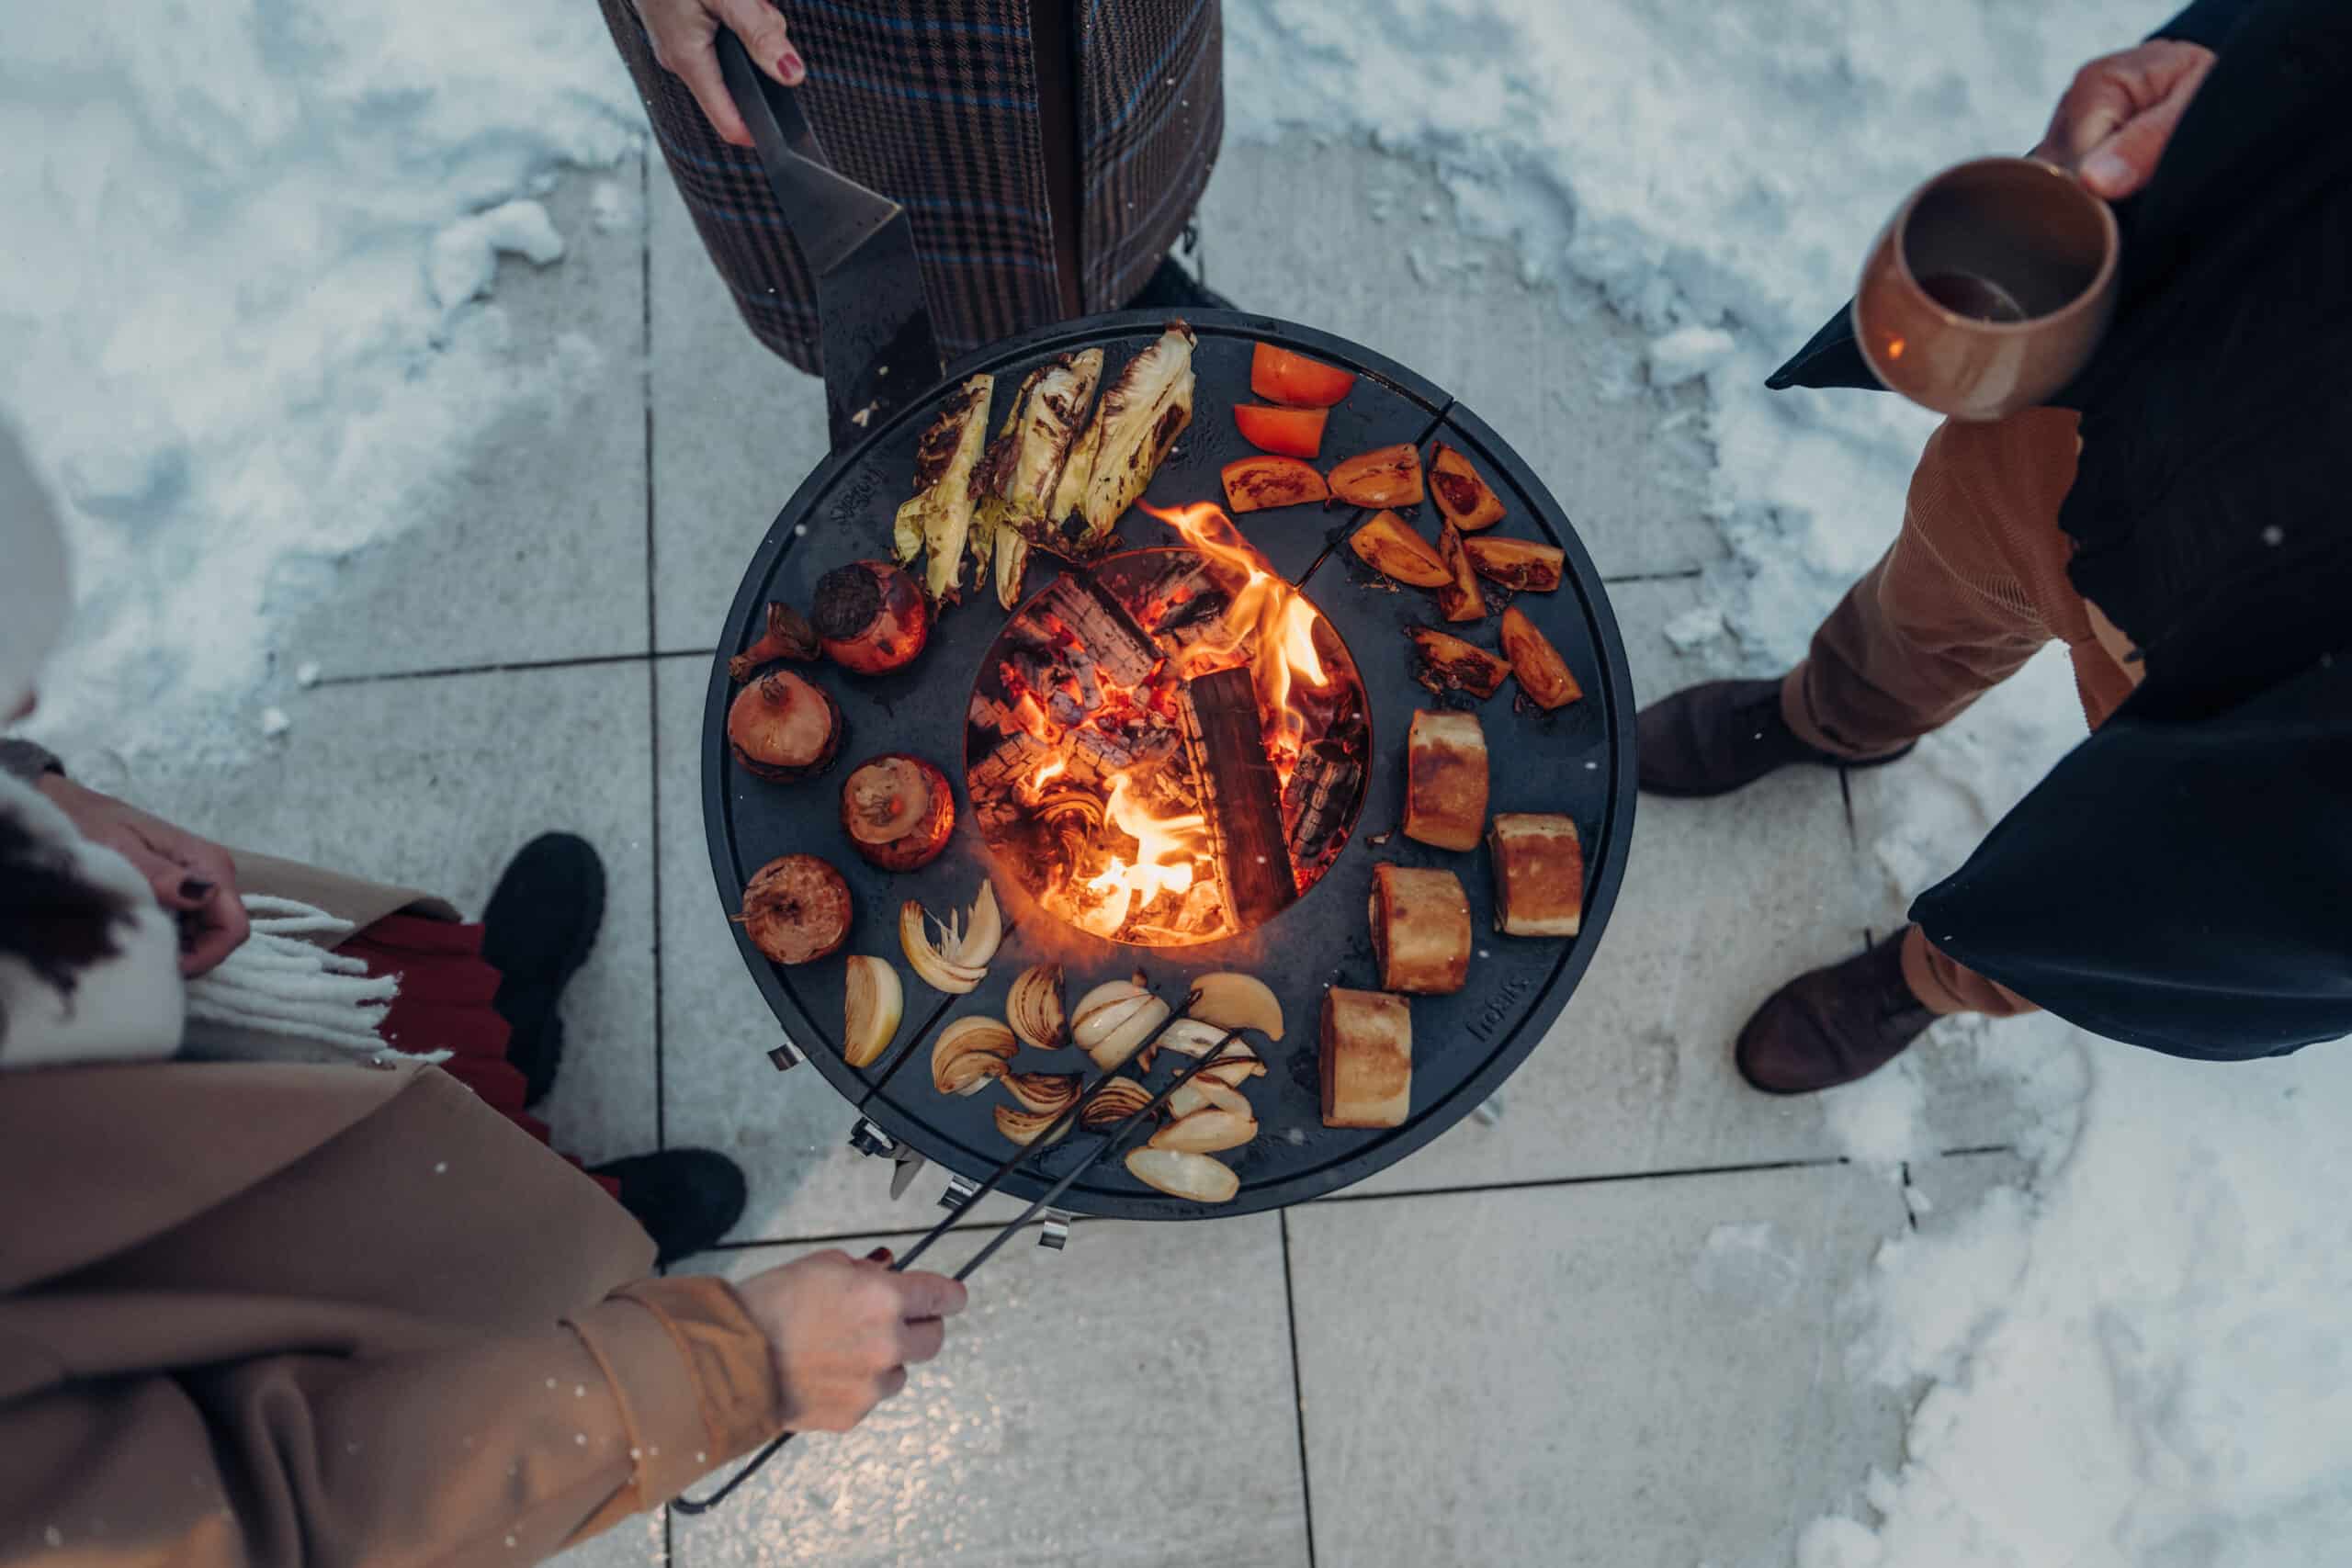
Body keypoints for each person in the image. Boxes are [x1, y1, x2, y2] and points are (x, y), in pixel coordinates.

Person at [0, 424, 966, 1562]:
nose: (32, 707)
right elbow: (281, 1516)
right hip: (224, 1233)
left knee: (425, 1027)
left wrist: (44, 802)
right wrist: (733, 1366)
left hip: (244, 1012)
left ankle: (509, 1043)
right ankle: (597, 1220)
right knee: (472, 1236)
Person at [1639, 0, 2352, 1091]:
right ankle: (1838, 715)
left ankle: (1936, 975)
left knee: (2132, 895)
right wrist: (2278, 71)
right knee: (1939, 586)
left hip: (2301, 726)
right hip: (2189, 390)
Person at [604, 0, 1227, 374]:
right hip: (840, 29)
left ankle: (1127, 286)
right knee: (891, 297)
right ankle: (928, 410)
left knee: (1112, 181)